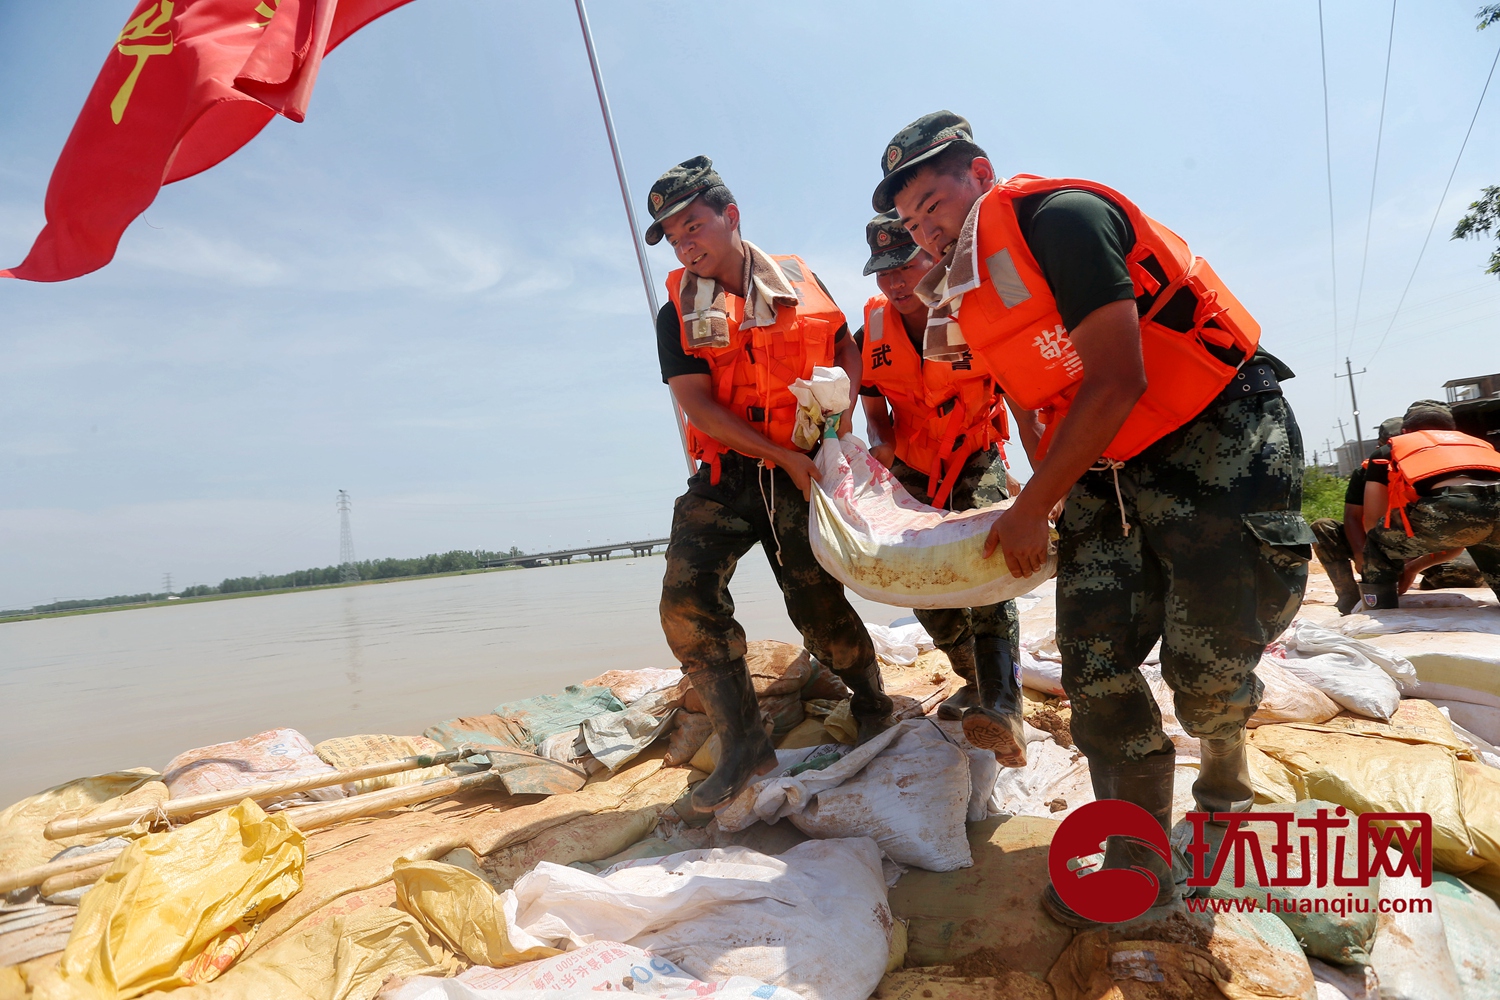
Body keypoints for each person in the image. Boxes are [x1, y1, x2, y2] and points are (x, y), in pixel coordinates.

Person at [872, 112, 1312, 925]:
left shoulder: (1064, 220)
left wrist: (1033, 510)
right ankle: (1137, 860)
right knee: (1094, 665)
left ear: (980, 173)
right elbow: (1035, 400)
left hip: (1217, 439)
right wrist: (1052, 498)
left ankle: (1224, 758)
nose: (926, 228)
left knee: (1206, 676)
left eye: (934, 201)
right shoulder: (963, 293)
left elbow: (1115, 376)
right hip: (1107, 475)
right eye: (911, 220)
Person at [648, 156, 894, 813]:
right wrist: (771, 454)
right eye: (673, 237)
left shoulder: (800, 279)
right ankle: (744, 743)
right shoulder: (676, 306)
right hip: (729, 473)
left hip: (801, 471)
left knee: (816, 604)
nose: (685, 244)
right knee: (685, 602)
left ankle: (873, 702)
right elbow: (697, 404)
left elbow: (845, 346)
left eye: (693, 225)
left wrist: (839, 417)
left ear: (731, 217)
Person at [855, 211, 1027, 763]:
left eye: (906, 265)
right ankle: (975, 678)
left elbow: (1025, 391)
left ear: (933, 258)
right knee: (915, 582)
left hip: (974, 453)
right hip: (911, 466)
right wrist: (879, 437)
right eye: (883, 273)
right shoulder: (872, 332)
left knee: (986, 563)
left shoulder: (974, 312)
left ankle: (1004, 704)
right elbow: (871, 397)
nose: (896, 282)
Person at [1360, 400, 1500, 609]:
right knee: (1486, 540)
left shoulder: (1387, 452)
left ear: (1405, 431)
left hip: (1448, 506)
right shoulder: (1478, 444)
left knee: (1376, 543)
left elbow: (1372, 520)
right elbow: (1467, 532)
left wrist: (1390, 562)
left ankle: (1380, 608)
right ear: (1453, 430)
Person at [1310, 416, 1401, 613]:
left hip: (1414, 542)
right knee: (1323, 527)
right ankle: (1349, 595)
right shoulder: (1365, 472)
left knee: (1461, 575)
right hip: (1375, 542)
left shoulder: (1425, 468)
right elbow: (1352, 516)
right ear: (1380, 445)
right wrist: (1361, 555)